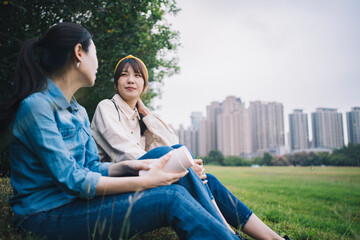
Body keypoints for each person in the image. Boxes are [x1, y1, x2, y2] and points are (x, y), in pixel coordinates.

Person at [2, 22, 248, 240]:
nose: (97, 63)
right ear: (79, 53)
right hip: (46, 216)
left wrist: (131, 167)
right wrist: (142, 182)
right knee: (170, 198)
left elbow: (89, 166)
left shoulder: (77, 111)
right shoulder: (36, 107)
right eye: (95, 54)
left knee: (169, 162)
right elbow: (73, 180)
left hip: (77, 203)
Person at [91, 55, 290, 240]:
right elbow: (125, 152)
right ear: (116, 83)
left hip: (142, 181)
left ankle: (275, 238)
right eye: (124, 75)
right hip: (115, 187)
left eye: (137, 75)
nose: (130, 80)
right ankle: (228, 234)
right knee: (169, 156)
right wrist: (183, 167)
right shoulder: (106, 107)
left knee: (207, 180)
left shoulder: (140, 118)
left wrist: (145, 112)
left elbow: (172, 141)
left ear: (145, 86)